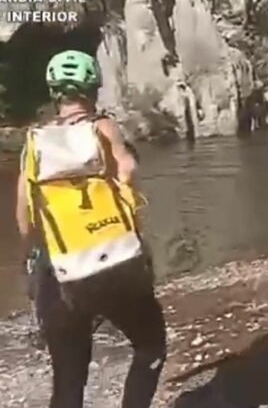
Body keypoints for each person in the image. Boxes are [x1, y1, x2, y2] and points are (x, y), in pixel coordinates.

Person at [15, 50, 166, 408]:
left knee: (68, 380)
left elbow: (24, 216)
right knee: (150, 345)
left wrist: (38, 256)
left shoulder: (35, 143)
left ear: (55, 94)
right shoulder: (104, 128)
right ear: (93, 88)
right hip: (113, 263)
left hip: (61, 270)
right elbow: (128, 171)